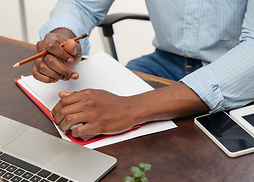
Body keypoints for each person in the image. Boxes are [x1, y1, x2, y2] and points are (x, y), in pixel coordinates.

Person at [32, 0, 254, 139]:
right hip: (164, 61)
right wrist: (63, 37)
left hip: (235, 71)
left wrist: (131, 108)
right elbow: (82, 4)